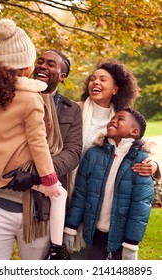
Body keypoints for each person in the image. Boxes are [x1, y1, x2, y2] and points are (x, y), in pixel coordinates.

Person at [0, 44, 83, 259]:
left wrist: (35, 174)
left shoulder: (71, 110)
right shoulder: (6, 95)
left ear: (62, 75)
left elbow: (73, 152)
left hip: (39, 210)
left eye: (51, 64)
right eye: (40, 61)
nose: (43, 66)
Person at [67, 60, 160, 258]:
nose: (95, 82)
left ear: (116, 88)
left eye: (102, 79)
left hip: (102, 199)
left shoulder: (120, 117)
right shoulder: (74, 109)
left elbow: (137, 148)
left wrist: (154, 165)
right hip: (70, 191)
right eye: (92, 79)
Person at [64, 107, 154, 260]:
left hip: (122, 234)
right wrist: (71, 227)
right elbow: (81, 193)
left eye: (120, 119)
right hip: (94, 232)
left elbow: (140, 205)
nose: (113, 120)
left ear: (134, 131)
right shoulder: (92, 154)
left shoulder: (141, 160)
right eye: (113, 118)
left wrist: (131, 243)